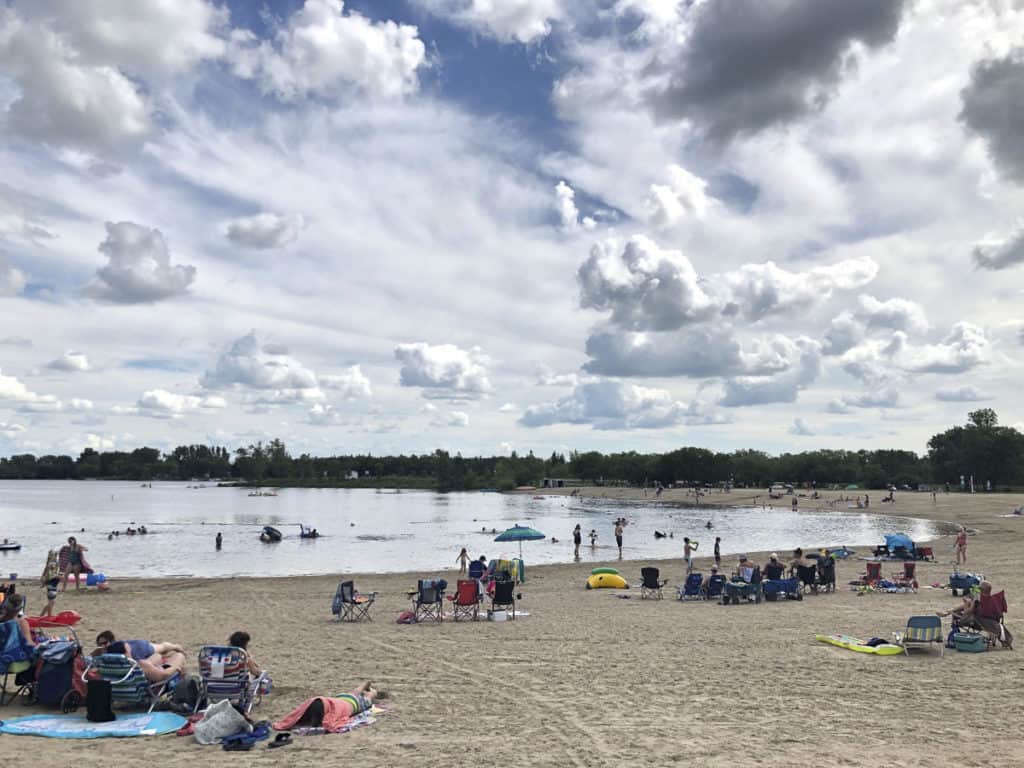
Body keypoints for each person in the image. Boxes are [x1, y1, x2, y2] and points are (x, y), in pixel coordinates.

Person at [273, 681, 385, 733]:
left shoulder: (332, 711)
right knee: (353, 694)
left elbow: (330, 723)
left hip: (350, 703)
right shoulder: (325, 703)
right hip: (338, 699)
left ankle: (372, 692)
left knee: (368, 698)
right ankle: (363, 686)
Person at [39, 549, 61, 617]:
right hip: (52, 583)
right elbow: (50, 575)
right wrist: (59, 576)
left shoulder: (50, 562)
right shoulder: (52, 563)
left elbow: (46, 573)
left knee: (51, 601)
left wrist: (43, 582)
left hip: (52, 583)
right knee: (52, 601)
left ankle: (43, 615)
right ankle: (48, 615)